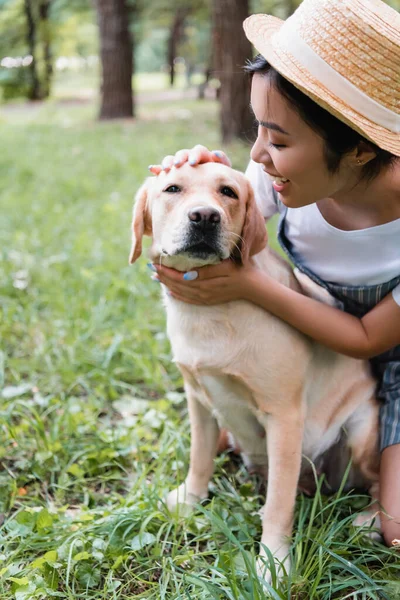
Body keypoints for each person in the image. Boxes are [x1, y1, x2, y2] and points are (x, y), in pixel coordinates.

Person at [147, 0, 400, 546]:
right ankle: (242, 444)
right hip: (309, 350)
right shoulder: (276, 178)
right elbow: (226, 208)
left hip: (384, 360)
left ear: (358, 149)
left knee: (395, 529)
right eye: (259, 131)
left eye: (279, 140)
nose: (257, 155)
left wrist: (249, 285)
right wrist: (206, 179)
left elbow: (366, 338)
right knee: (233, 387)